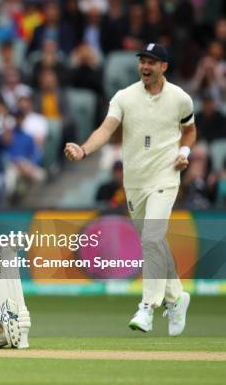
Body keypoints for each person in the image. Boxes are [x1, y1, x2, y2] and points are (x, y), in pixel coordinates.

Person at [64, 43, 195, 336]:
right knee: (154, 240)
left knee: (151, 237)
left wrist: (184, 151)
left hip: (166, 176)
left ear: (164, 67)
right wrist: (84, 150)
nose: (145, 67)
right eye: (142, 61)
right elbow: (106, 129)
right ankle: (176, 297)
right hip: (134, 181)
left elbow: (190, 129)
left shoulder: (180, 98)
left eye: (152, 62)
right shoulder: (124, 97)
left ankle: (147, 307)